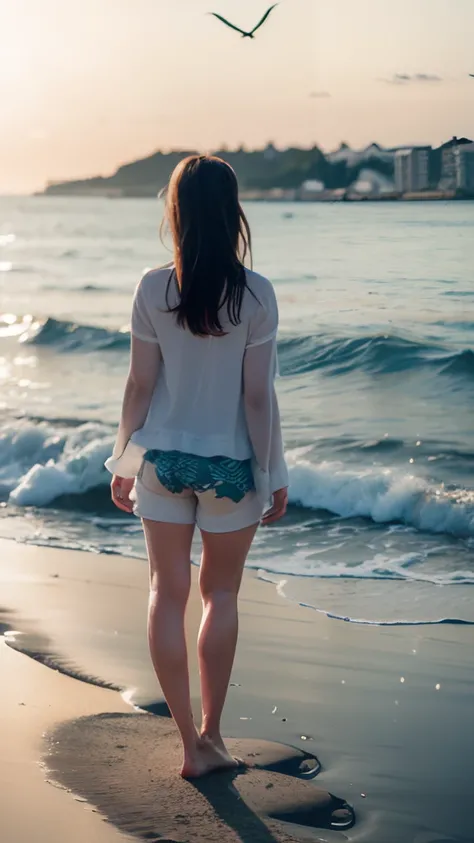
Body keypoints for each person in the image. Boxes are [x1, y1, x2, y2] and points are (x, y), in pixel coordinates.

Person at [105, 155, 288, 778]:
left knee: (166, 593)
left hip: (162, 461)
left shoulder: (154, 288)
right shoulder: (256, 293)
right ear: (233, 212)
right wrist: (271, 475)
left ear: (176, 212)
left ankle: (189, 747)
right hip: (232, 467)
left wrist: (124, 459)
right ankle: (213, 734)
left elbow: (139, 385)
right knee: (222, 593)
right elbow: (258, 398)